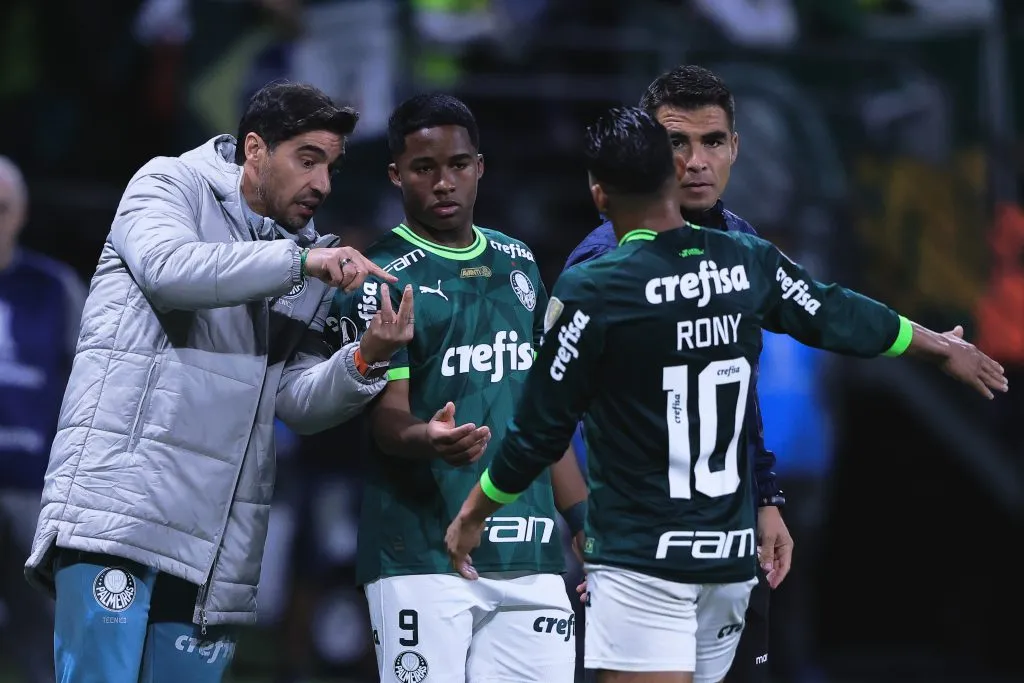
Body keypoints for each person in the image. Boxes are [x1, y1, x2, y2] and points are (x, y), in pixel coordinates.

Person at [445, 106, 1008, 683]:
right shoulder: (747, 260)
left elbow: (538, 431)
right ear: (673, 176)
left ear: (599, 194)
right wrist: (938, 345)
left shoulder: (596, 287)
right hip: (728, 560)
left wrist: (474, 512)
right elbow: (838, 313)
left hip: (644, 560)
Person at [24, 81, 415, 683]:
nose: (322, 185)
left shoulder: (304, 256)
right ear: (255, 150)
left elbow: (295, 400)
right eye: (307, 160)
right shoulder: (168, 184)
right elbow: (169, 270)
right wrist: (297, 263)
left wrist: (365, 358)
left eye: (331, 168)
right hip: (121, 515)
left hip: (217, 543)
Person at [326, 93, 585, 683]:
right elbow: (384, 420)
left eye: (458, 165)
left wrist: (583, 521)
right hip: (420, 554)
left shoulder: (519, 263)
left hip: (530, 552)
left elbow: (544, 417)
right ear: (396, 175)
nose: (444, 182)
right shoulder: (378, 277)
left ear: (480, 167)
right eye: (424, 168)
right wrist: (428, 437)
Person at [563, 65, 790, 682]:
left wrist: (767, 498)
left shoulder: (742, 242)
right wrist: (589, 533)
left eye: (712, 141)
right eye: (676, 143)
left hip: (729, 540)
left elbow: (737, 389)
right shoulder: (600, 265)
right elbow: (548, 419)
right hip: (642, 553)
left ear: (735, 147)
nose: (695, 162)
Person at [0, 155, 85, 683]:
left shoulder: (54, 286)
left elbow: (92, 380)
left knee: (45, 626)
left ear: (22, 213)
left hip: (35, 485)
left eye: (1, 208)